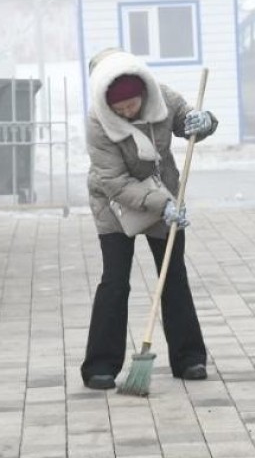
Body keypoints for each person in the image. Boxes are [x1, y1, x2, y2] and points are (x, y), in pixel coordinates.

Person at [81, 48, 219, 389]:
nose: (128, 111)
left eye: (133, 103)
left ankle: (189, 359)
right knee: (115, 280)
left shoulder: (163, 97)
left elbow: (189, 121)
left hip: (161, 190)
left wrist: (204, 123)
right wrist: (163, 205)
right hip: (115, 204)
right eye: (120, 108)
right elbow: (114, 182)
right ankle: (100, 365)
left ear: (143, 92)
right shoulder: (97, 121)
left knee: (173, 274)